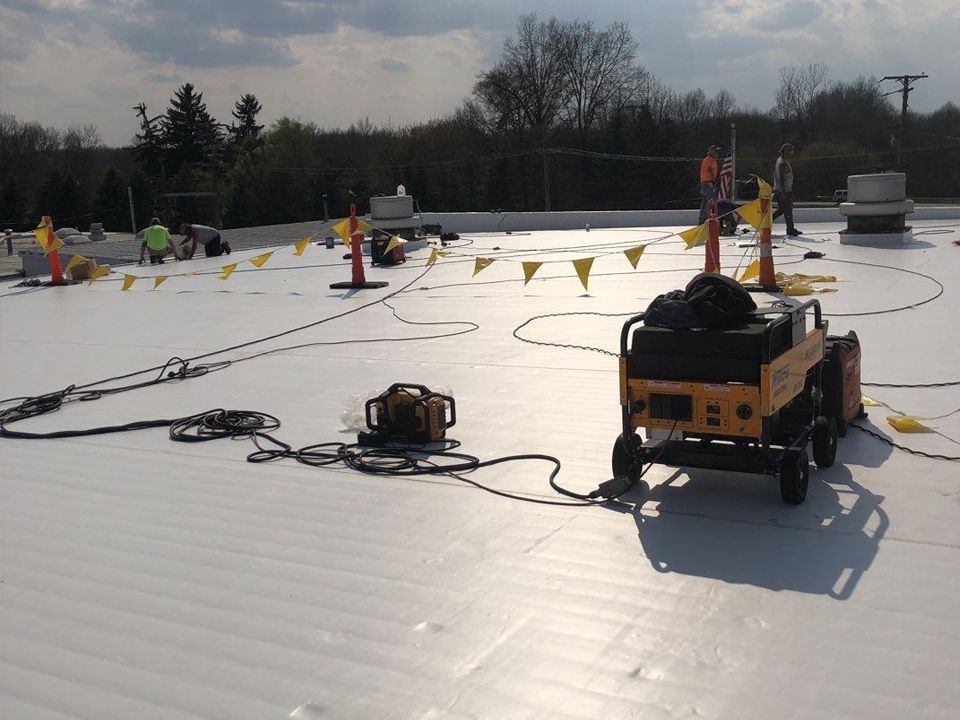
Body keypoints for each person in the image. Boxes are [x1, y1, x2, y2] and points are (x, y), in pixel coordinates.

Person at [772, 143, 801, 236]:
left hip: (780, 190)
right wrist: (784, 192)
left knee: (781, 210)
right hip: (783, 191)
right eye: (789, 150)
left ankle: (767, 222)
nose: (791, 152)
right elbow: (781, 178)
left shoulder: (782, 160)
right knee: (788, 210)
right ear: (784, 151)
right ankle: (790, 229)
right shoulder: (783, 163)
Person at [698, 145, 720, 225]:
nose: (717, 153)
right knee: (712, 203)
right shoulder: (711, 159)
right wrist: (714, 180)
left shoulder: (705, 159)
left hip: (703, 184)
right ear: (711, 151)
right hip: (708, 184)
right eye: (716, 151)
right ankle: (709, 221)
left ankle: (701, 220)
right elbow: (709, 170)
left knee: (704, 203)